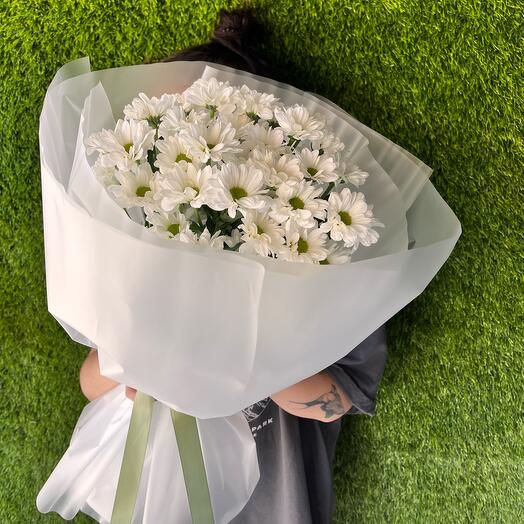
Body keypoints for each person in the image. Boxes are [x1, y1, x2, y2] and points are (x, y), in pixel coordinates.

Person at [79, 9, 389, 524]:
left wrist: (241, 357)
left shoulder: (321, 263)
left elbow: (342, 398)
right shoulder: (138, 260)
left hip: (274, 505)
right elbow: (92, 381)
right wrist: (133, 363)